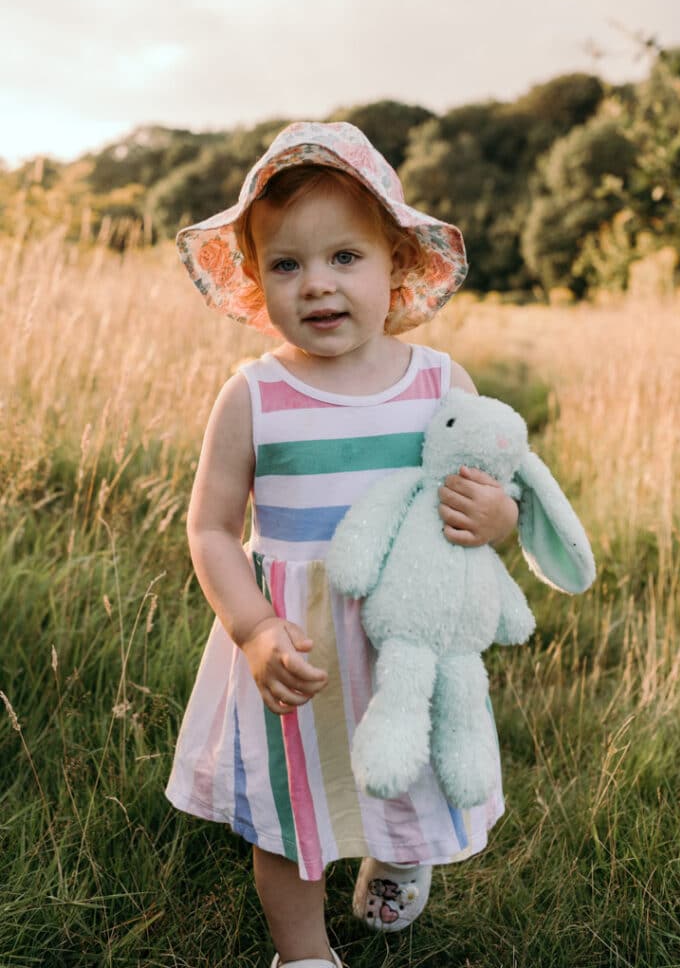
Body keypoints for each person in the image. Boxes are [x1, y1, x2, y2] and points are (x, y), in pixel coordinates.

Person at [165, 121, 523, 968]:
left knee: (408, 774)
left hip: (408, 634)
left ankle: (397, 855)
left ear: (395, 263)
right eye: (287, 264)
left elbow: (492, 491)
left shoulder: (441, 383)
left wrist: (497, 519)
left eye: (344, 259)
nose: (317, 286)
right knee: (292, 806)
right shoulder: (254, 394)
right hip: (295, 641)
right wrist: (253, 629)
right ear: (254, 280)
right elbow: (210, 526)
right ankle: (302, 952)